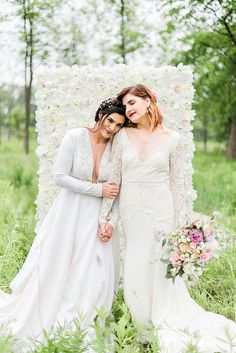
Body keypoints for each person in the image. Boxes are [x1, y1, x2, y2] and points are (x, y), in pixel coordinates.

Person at [99, 84, 236, 353]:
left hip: (162, 214)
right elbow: (114, 180)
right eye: (125, 106)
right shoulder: (122, 136)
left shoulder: (174, 139)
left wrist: (185, 227)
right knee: (136, 266)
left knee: (160, 268)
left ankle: (162, 322)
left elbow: (178, 186)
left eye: (132, 103)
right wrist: (105, 216)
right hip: (132, 214)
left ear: (149, 101)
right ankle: (142, 327)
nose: (128, 109)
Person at [0, 97, 128, 350]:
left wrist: (110, 222)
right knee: (58, 265)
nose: (112, 128)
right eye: (110, 120)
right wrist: (97, 189)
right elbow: (59, 178)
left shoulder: (118, 150)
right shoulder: (75, 137)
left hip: (98, 216)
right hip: (69, 213)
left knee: (94, 272)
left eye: (119, 125)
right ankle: (48, 313)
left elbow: (117, 190)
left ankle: (83, 320)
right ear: (100, 114)